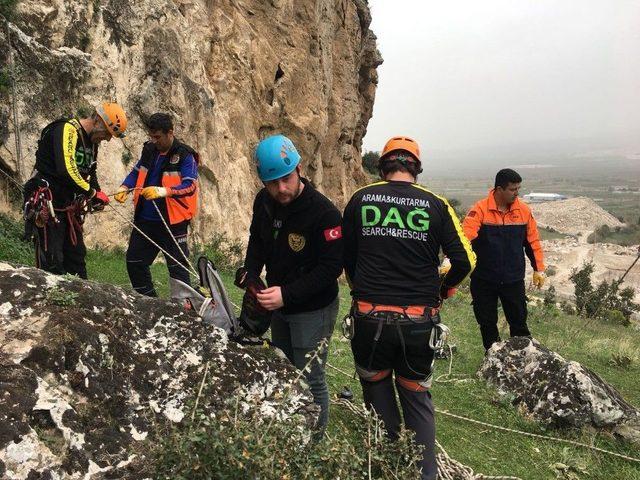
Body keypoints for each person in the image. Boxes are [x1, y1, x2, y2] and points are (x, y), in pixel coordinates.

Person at [343, 136, 476, 480]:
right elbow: (464, 260)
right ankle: (425, 473)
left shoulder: (360, 199)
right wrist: (442, 289)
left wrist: (362, 288)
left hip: (368, 316)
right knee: (416, 398)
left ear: (383, 166)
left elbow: (347, 257)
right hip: (418, 321)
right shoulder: (435, 204)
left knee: (375, 385)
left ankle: (389, 462)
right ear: (415, 168)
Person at [240, 134, 343, 432]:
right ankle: (291, 430)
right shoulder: (265, 201)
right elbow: (257, 239)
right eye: (272, 183)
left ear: (298, 170)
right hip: (278, 302)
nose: (281, 189)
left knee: (310, 377)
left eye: (286, 179)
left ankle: (314, 446)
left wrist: (287, 294)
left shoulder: (324, 213)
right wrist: (250, 270)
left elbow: (331, 268)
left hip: (313, 307)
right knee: (284, 367)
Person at [23, 102, 128, 279]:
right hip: (49, 203)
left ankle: (80, 302)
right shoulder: (67, 130)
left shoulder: (92, 143)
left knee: (77, 260)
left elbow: (90, 171)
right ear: (97, 121)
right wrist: (92, 193)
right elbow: (66, 170)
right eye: (107, 134)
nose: (108, 139)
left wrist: (97, 194)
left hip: (68, 205)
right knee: (53, 261)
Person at [114, 113, 199, 297]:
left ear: (170, 133)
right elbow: (137, 172)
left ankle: (184, 312)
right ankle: (148, 302)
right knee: (135, 262)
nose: (154, 141)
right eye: (151, 136)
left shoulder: (184, 155)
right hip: (146, 219)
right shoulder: (149, 150)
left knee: (178, 271)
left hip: (173, 223)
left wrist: (164, 191)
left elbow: (190, 185)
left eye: (158, 137)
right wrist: (124, 186)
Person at [462, 168, 545, 351]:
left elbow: (532, 241)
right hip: (483, 278)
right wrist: (451, 262)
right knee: (487, 322)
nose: (517, 193)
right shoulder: (479, 210)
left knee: (519, 321)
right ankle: (492, 359)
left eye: (518, 189)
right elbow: (464, 239)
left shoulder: (523, 211)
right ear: (499, 189)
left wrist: (539, 269)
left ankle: (524, 358)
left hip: (513, 279)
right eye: (512, 189)